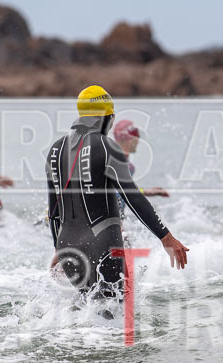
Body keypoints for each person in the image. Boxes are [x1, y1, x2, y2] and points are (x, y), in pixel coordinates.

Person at [45, 85, 189, 296]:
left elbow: (54, 210)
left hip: (67, 249)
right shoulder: (106, 146)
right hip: (103, 247)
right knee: (117, 318)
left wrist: (59, 248)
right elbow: (131, 195)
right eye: (111, 117)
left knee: (90, 314)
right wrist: (165, 236)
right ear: (106, 116)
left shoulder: (55, 149)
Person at [112, 120, 169, 198]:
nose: (137, 140)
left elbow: (124, 190)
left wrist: (145, 191)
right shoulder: (113, 162)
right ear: (125, 138)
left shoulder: (128, 165)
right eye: (135, 136)